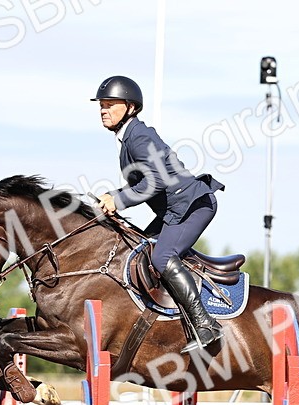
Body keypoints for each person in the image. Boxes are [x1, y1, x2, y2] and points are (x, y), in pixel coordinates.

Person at [91, 75, 225, 351]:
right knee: (138, 252)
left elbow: (157, 179)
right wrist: (114, 198)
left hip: (192, 206)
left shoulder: (138, 136)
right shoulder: (129, 137)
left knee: (162, 257)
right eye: (101, 105)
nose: (103, 110)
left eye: (110, 105)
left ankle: (205, 325)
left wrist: (119, 200)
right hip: (175, 210)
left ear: (130, 107)